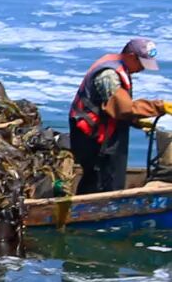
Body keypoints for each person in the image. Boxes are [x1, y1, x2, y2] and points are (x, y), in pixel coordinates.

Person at [68, 37, 171, 194]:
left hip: (106, 133)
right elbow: (122, 108)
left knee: (109, 179)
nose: (142, 69)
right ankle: (92, 215)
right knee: (100, 182)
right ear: (130, 56)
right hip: (93, 139)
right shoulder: (108, 75)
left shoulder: (120, 66)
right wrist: (159, 106)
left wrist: (137, 121)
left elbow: (113, 108)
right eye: (141, 64)